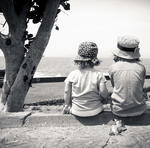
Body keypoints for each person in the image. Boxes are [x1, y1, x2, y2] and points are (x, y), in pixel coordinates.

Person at [108, 35, 146, 134]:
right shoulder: (141, 68)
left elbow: (115, 86)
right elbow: (140, 86)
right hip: (139, 109)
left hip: (119, 111)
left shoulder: (113, 67)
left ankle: (117, 123)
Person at [63, 42, 108, 117]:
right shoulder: (98, 74)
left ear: (78, 60)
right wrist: (103, 99)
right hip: (96, 110)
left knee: (72, 108)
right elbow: (104, 93)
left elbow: (66, 91)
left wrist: (67, 105)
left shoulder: (72, 74)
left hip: (76, 111)